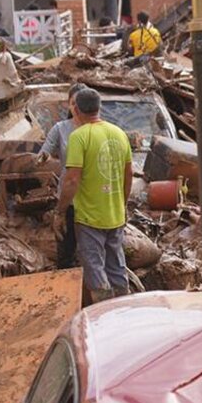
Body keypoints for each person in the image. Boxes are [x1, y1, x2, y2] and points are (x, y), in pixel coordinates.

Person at [54, 88, 134, 304]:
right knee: (116, 265)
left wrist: (60, 211)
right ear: (99, 108)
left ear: (76, 109)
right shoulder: (119, 133)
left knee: (94, 267)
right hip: (114, 214)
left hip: (89, 216)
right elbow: (129, 175)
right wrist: (122, 204)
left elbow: (71, 181)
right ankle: (123, 308)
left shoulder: (78, 137)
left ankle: (104, 312)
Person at [38, 83, 90, 268]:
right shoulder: (60, 128)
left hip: (92, 197)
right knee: (66, 248)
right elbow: (47, 149)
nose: (76, 108)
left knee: (91, 250)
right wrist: (43, 156)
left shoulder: (97, 129)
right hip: (68, 196)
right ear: (68, 104)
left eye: (80, 103)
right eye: (73, 103)